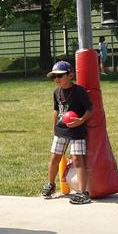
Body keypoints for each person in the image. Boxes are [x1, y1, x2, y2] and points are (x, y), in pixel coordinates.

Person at [42, 61, 94, 205]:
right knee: (54, 158)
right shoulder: (56, 92)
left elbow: (90, 110)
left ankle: (83, 193)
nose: (56, 79)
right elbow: (56, 110)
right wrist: (54, 128)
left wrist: (81, 120)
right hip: (61, 130)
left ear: (70, 75)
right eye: (54, 77)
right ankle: (50, 184)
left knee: (78, 160)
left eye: (60, 76)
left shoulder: (79, 91)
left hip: (77, 130)